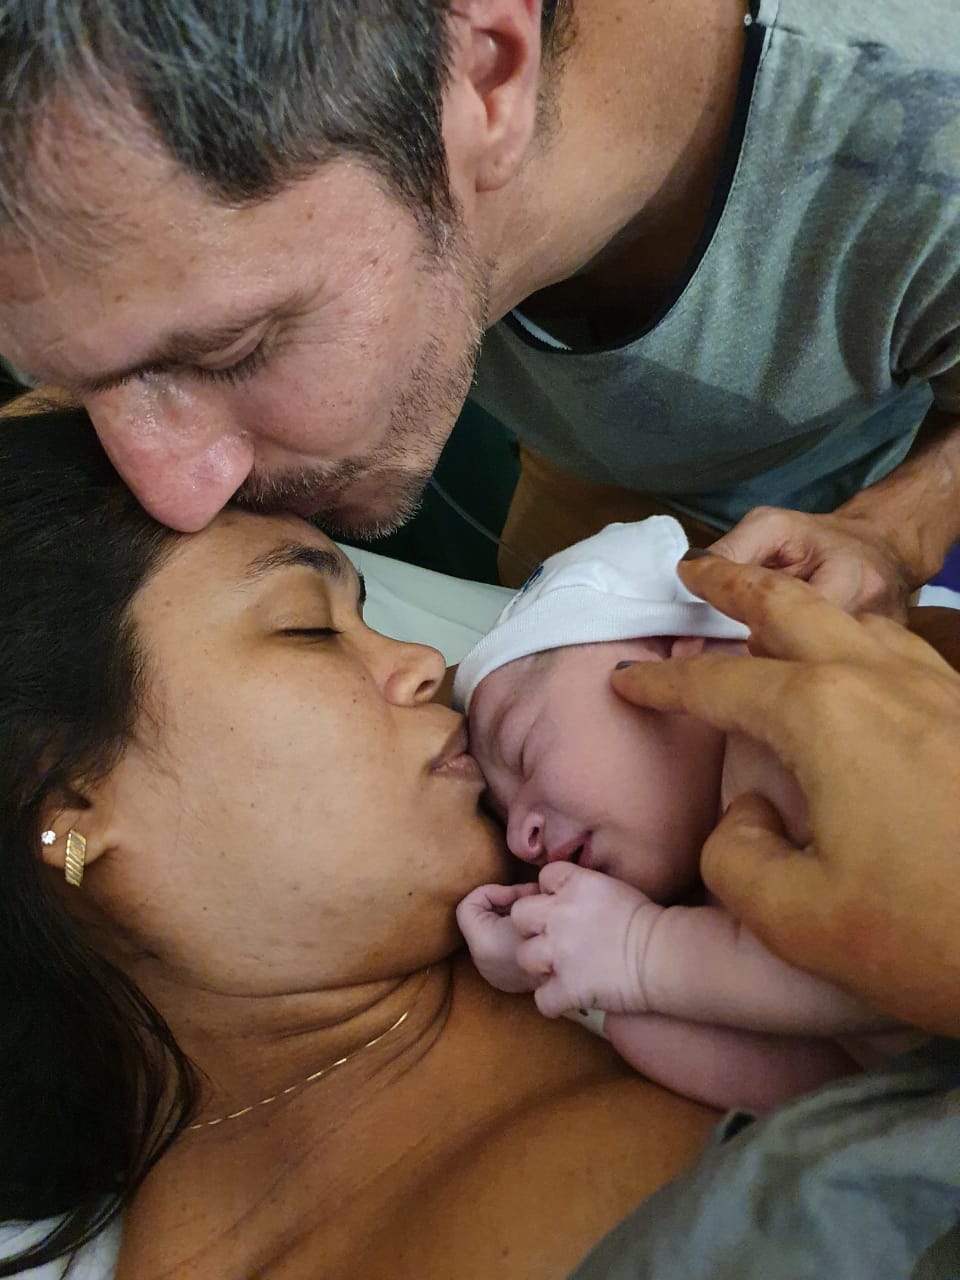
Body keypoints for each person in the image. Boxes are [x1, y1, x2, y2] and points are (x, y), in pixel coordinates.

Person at [1, 406, 958, 1280]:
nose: (427, 663)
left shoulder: (737, 820)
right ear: (69, 811)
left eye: (369, 616)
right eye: (304, 629)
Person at [0, 1, 958, 613]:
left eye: (230, 349)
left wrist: (895, 529)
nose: (176, 495)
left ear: (484, 76)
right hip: (584, 471)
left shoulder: (920, 147)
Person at [453, 519, 916, 1112]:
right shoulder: (701, 903)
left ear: (677, 655)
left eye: (522, 749)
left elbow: (898, 963)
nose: (522, 837)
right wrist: (562, 967)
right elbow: (838, 1083)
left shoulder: (800, 731)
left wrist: (645, 952)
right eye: (500, 813)